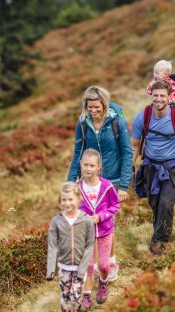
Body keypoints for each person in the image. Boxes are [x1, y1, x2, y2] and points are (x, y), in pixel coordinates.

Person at [67, 85, 133, 281]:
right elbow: (78, 153)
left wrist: (123, 186)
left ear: (104, 104)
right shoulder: (83, 123)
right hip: (90, 180)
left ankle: (110, 263)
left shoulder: (117, 122)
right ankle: (97, 264)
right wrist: (71, 180)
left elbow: (127, 153)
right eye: (90, 108)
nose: (94, 111)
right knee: (91, 224)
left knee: (107, 223)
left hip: (112, 180)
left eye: (97, 107)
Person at [131, 80, 175, 255]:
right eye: (156, 95)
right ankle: (160, 231)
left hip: (173, 168)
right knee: (154, 203)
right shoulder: (142, 117)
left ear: (169, 97)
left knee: (166, 203)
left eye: (162, 96)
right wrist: (128, 169)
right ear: (151, 96)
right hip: (151, 167)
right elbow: (134, 146)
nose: (159, 99)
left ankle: (159, 240)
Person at [77, 148, 120, 310]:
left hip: (105, 231)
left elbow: (115, 206)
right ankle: (86, 296)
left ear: (98, 167)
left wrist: (101, 216)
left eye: (92, 165)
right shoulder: (77, 188)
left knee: (103, 265)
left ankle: (103, 283)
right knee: (88, 266)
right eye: (85, 165)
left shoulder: (107, 186)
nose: (88, 168)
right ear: (81, 164)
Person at [46, 182, 95, 312]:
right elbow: (52, 246)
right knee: (65, 297)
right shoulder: (56, 221)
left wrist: (82, 269)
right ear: (60, 201)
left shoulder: (86, 220)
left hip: (80, 267)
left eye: (70, 199)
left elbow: (90, 246)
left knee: (75, 298)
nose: (67, 203)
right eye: (64, 200)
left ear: (79, 199)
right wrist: (50, 269)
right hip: (63, 267)